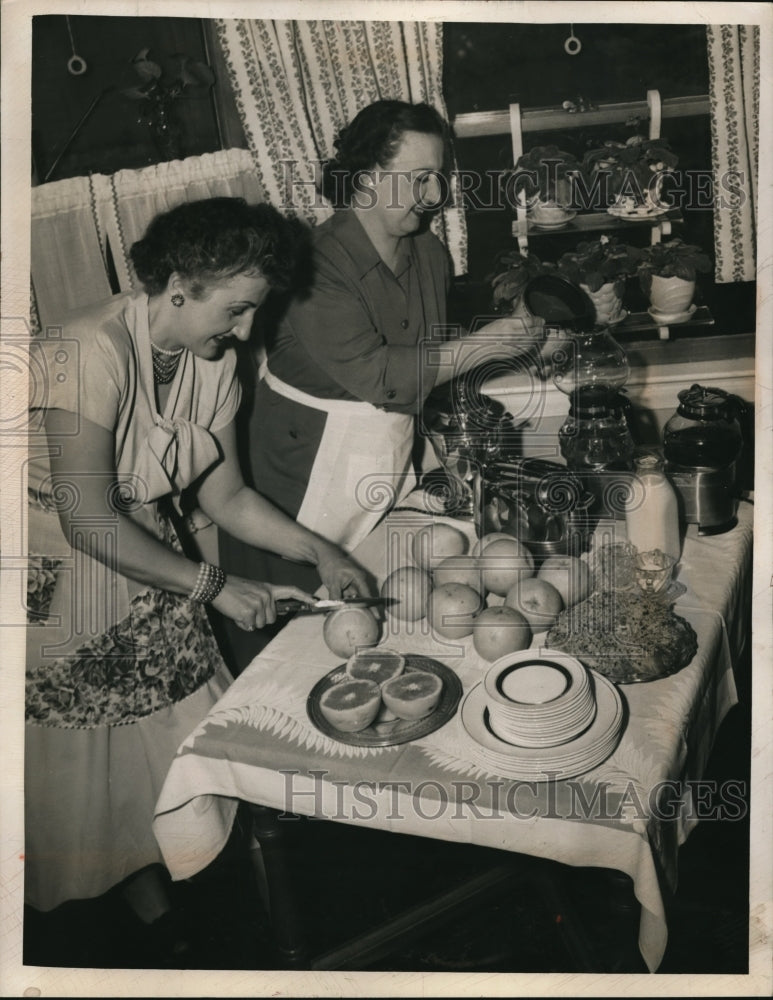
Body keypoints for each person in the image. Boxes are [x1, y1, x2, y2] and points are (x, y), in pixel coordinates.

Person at [24, 197, 370, 959]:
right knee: (87, 776)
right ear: (179, 284)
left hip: (146, 555)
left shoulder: (214, 364)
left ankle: (192, 902)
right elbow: (86, 519)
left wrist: (322, 553)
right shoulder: (85, 349)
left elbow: (229, 498)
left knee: (177, 744)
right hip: (55, 577)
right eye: (237, 310)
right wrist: (212, 586)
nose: (245, 332)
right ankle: (119, 926)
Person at [218, 99, 544, 669]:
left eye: (438, 179)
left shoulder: (430, 254)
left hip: (381, 469)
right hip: (292, 491)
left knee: (380, 631)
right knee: (292, 653)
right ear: (367, 178)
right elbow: (381, 376)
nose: (435, 195)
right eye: (419, 179)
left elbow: (431, 363)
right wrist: (497, 341)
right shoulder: (314, 265)